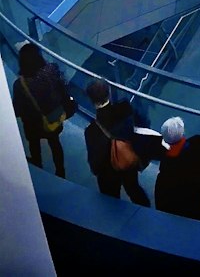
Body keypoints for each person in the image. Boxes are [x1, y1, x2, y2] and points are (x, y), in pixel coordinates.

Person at [84, 78, 151, 205]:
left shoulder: (91, 131)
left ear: (91, 100)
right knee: (134, 188)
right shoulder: (125, 108)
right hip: (127, 160)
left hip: (108, 173)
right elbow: (142, 125)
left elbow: (95, 161)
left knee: (111, 199)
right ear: (108, 93)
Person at [12, 42, 70, 176]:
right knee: (55, 143)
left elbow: (17, 110)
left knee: (34, 144)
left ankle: (37, 163)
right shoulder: (52, 70)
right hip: (53, 117)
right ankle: (60, 170)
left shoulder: (20, 85)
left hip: (32, 124)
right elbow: (63, 89)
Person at [155, 117, 200, 221]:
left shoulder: (166, 164)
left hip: (171, 210)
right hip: (195, 209)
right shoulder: (199, 148)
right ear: (182, 131)